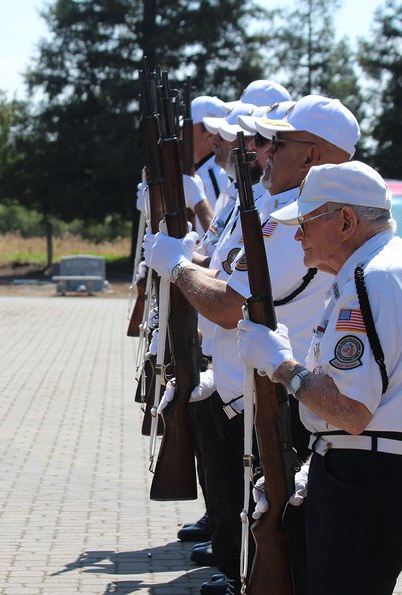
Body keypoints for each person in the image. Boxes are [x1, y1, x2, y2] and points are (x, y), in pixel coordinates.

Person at [143, 94, 359, 594]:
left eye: (274, 142)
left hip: (280, 392)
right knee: (254, 511)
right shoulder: (281, 209)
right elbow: (222, 275)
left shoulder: (297, 220)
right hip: (253, 383)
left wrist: (177, 266)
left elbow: (225, 303)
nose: (263, 151)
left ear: (310, 155)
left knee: (275, 519)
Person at [237, 161, 402, 595]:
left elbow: (350, 411)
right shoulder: (383, 270)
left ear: (346, 221)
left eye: (306, 222)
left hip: (364, 473)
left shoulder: (370, 280)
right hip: (369, 463)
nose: (298, 235)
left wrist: (281, 366)